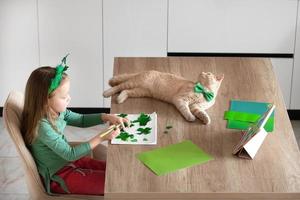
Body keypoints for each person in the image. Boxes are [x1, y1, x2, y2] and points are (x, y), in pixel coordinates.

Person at [21, 55, 128, 195]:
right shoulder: (42, 127)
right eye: (64, 97)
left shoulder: (57, 112)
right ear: (45, 100)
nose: (69, 98)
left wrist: (106, 117)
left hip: (70, 163)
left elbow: (82, 120)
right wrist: (102, 137)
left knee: (117, 173)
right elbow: (70, 154)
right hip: (59, 176)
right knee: (114, 184)